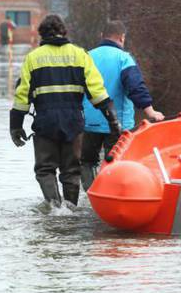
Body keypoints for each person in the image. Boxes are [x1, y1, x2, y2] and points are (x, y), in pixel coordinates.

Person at [9, 14, 121, 207]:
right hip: (73, 121)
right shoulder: (80, 55)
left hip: (45, 122)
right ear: (64, 32)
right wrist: (113, 121)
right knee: (71, 170)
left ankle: (54, 209)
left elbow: (22, 96)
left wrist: (16, 127)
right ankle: (70, 210)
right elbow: (98, 92)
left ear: (41, 35)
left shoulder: (32, 58)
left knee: (45, 169)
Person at [80, 20, 164, 191]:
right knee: (115, 164)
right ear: (122, 37)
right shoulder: (124, 58)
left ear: (101, 36)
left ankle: (91, 195)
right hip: (117, 125)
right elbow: (135, 87)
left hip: (89, 122)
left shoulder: (86, 57)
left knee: (87, 163)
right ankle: (109, 194)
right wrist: (151, 111)